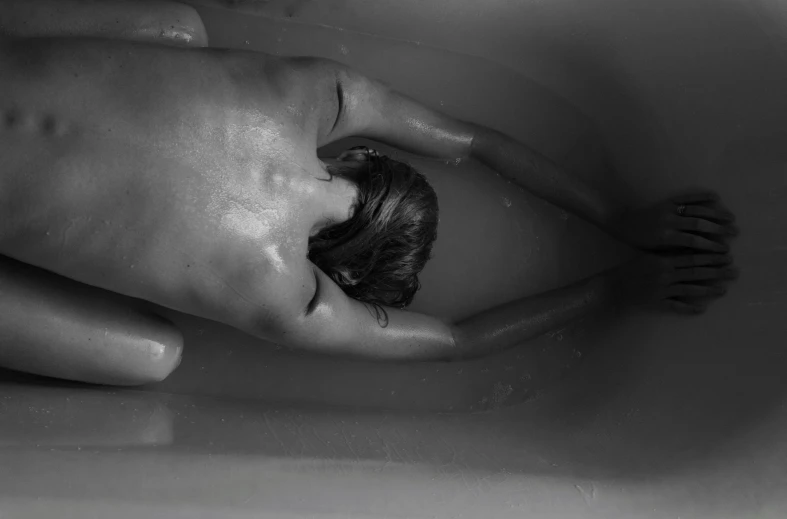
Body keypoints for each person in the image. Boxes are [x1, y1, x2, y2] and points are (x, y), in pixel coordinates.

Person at [0, 0, 739, 386]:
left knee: (179, 27)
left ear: (361, 155)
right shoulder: (293, 300)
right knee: (154, 354)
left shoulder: (311, 95)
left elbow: (470, 140)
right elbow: (456, 340)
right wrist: (615, 287)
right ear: (344, 275)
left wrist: (615, 213)